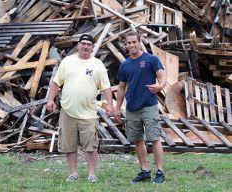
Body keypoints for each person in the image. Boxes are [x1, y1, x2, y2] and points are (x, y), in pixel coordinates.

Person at [47, 33, 113, 183]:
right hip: (68, 111)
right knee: (69, 144)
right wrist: (50, 99)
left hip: (89, 112)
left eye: (89, 44)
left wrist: (109, 104)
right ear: (78, 45)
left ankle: (91, 174)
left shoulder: (97, 64)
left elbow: (106, 87)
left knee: (91, 145)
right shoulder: (67, 62)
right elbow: (57, 82)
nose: (85, 46)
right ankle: (73, 173)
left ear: (92, 47)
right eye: (83, 43)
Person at [114, 31, 167, 184]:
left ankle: (160, 172)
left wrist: (160, 86)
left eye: (134, 42)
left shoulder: (151, 59)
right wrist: (118, 108)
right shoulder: (125, 64)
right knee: (138, 140)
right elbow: (121, 87)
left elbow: (162, 76)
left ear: (139, 42)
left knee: (155, 138)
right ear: (126, 45)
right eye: (128, 43)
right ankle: (145, 171)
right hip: (132, 108)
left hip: (149, 106)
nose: (131, 45)